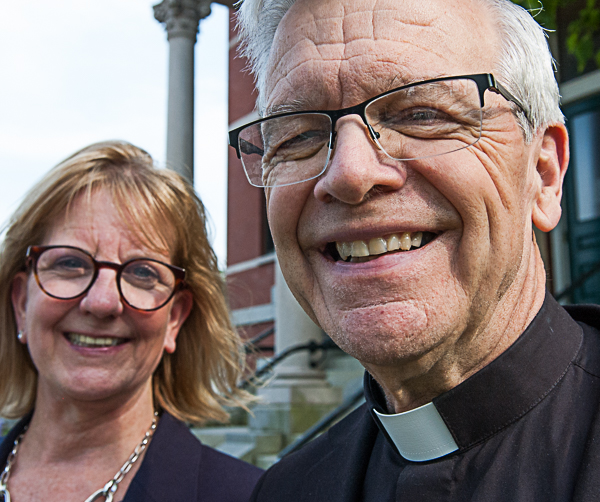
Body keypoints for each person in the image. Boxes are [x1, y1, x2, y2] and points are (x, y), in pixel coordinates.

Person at [228, 0, 600, 499]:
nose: (350, 174)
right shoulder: (287, 491)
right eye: (299, 135)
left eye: (421, 114)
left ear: (543, 174)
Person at [0, 141, 262, 501]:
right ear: (20, 303)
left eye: (142, 273)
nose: (103, 302)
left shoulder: (247, 496)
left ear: (175, 318)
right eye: (69, 264)